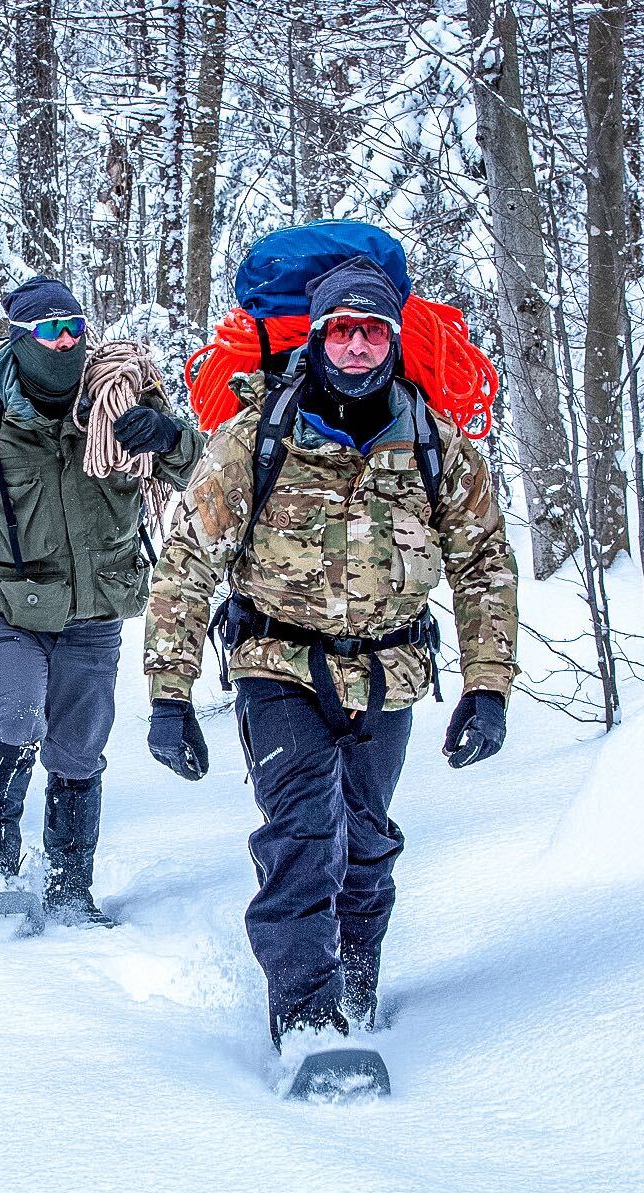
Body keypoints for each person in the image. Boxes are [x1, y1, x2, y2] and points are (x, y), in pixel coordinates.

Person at [142, 256, 518, 1042]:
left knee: (368, 838)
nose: (355, 347)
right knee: (303, 834)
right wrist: (168, 694)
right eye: (340, 331)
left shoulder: (432, 441)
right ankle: (307, 1016)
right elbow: (186, 562)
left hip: (390, 670)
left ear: (390, 339)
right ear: (315, 337)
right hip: (276, 665)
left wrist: (487, 687)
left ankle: (355, 982)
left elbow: (484, 562)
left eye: (370, 332)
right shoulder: (254, 439)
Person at [0, 276, 206, 923]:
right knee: (15, 716)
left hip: (95, 609)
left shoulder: (116, 408)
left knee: (78, 746)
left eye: (74, 328)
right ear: (19, 338)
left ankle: (68, 882)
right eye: (49, 331)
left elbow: (211, 476)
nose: (65, 343)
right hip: (4, 602)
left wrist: (168, 438)